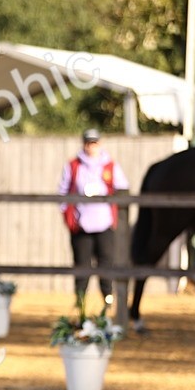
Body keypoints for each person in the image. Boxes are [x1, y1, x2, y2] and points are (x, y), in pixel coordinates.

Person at [58, 129, 129, 306]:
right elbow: (62, 192)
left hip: (104, 223)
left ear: (100, 144)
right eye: (88, 143)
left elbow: (123, 189)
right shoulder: (74, 166)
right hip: (81, 224)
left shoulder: (110, 166)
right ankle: (80, 300)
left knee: (106, 263)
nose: (91, 146)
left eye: (94, 143)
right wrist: (69, 217)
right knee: (82, 264)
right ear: (83, 144)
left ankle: (108, 298)